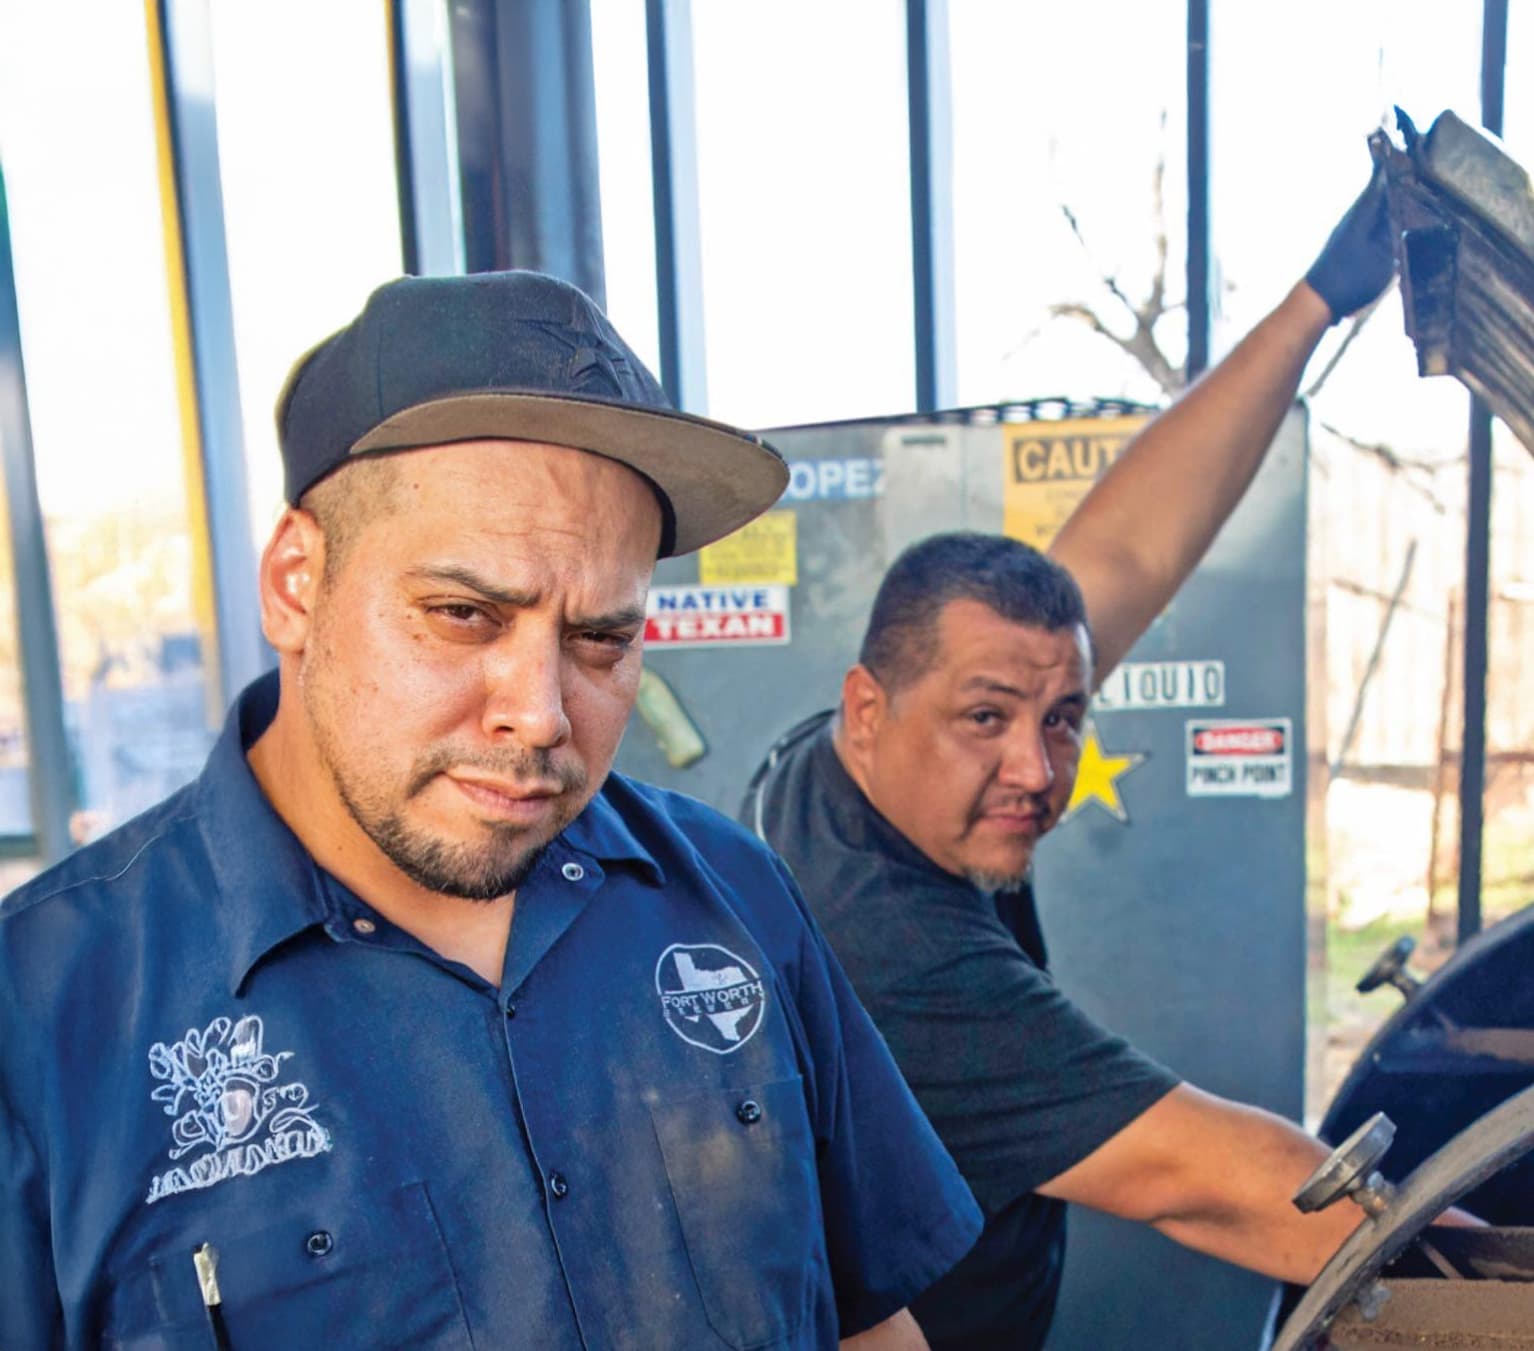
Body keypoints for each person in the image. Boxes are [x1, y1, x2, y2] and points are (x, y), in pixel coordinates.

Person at [0, 271, 983, 1350]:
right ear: (294, 583)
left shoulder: (733, 895)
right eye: (464, 614)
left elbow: (867, 1322)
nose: (541, 713)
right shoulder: (42, 1017)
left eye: (601, 639)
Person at [743, 167, 1398, 1350]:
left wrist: (1316, 301)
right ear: (867, 709)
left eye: (1062, 717)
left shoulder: (853, 758)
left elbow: (1130, 551)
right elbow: (1221, 1182)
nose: (1037, 769)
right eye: (987, 719)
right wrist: (1486, 1259)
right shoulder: (890, 949)